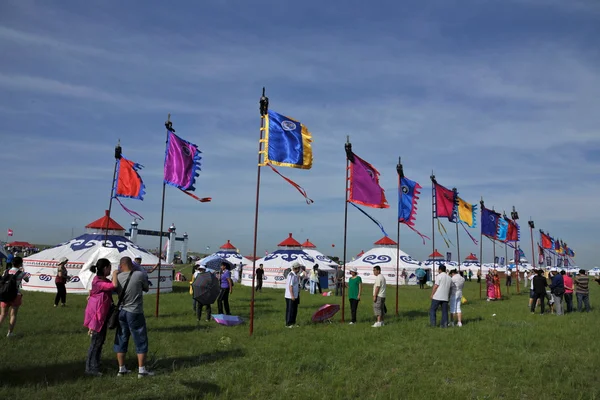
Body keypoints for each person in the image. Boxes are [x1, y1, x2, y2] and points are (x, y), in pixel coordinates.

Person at [113, 256, 153, 378]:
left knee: (121, 338)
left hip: (121, 311)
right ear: (132, 264)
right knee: (140, 339)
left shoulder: (117, 277)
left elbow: (113, 288)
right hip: (135, 311)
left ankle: (121, 368)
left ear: (121, 265)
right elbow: (146, 288)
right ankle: (141, 370)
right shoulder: (139, 275)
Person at [84, 258, 117, 376]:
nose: (111, 270)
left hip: (102, 316)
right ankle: (90, 368)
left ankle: (95, 364)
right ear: (105, 268)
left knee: (100, 341)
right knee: (95, 343)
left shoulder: (103, 279)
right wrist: (115, 275)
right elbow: (112, 286)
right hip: (96, 317)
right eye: (109, 267)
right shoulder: (97, 281)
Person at [0, 256, 29, 337]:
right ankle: (10, 333)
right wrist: (23, 271)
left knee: (2, 314)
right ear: (20, 264)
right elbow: (27, 280)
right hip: (16, 295)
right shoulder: (22, 273)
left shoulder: (6, 271)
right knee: (13, 315)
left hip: (4, 294)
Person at [284, 262, 301, 328]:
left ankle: (293, 322)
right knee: (290, 310)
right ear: (296, 268)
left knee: (294, 310)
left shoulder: (295, 275)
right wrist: (292, 296)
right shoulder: (291, 275)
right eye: (299, 268)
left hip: (295, 295)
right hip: (290, 296)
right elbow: (290, 286)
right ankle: (288, 323)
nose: (299, 269)